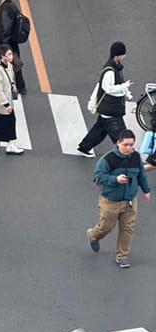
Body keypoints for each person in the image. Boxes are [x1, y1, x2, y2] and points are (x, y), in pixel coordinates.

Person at [86, 129, 151, 269]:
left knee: (127, 228)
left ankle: (122, 256)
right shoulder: (107, 159)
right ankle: (93, 235)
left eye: (131, 145)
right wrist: (115, 179)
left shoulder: (135, 157)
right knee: (106, 227)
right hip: (110, 201)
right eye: (126, 145)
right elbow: (99, 177)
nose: (129, 148)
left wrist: (146, 190)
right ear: (118, 143)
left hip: (130, 200)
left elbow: (141, 175)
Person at [78, 42, 133, 157]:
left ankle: (84, 147)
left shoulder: (116, 66)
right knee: (120, 133)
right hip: (110, 108)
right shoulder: (110, 70)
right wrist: (124, 87)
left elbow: (120, 83)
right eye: (123, 54)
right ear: (117, 55)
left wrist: (127, 93)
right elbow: (108, 89)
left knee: (100, 130)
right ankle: (125, 153)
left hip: (109, 108)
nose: (125, 56)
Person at [0, 44, 24, 155]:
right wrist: (6, 104)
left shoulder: (9, 66)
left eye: (11, 53)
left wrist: (12, 84)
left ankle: (10, 144)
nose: (11, 56)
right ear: (2, 56)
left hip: (7, 99)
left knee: (10, 122)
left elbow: (10, 77)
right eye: (9, 54)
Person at [0, 0, 26, 95]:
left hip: (4, 42)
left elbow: (5, 28)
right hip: (13, 40)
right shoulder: (12, 5)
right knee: (15, 62)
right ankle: (21, 87)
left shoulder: (6, 8)